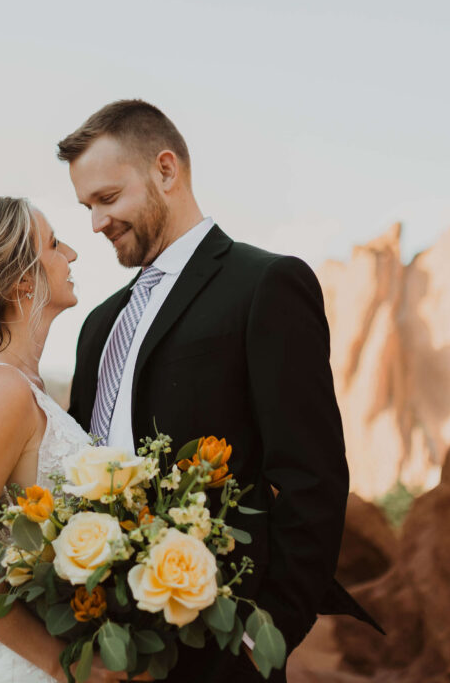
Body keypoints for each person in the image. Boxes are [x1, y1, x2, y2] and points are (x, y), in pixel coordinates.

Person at [59, 100, 382, 682]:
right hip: (110, 649)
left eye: (107, 199)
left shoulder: (265, 284)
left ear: (165, 170)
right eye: (87, 207)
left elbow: (314, 476)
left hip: (223, 651)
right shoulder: (99, 325)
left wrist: (269, 633)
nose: (95, 223)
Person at [0, 197, 150, 682]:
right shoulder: (0, 389)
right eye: (52, 243)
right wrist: (57, 663)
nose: (72, 253)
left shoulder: (17, 381)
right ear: (23, 279)